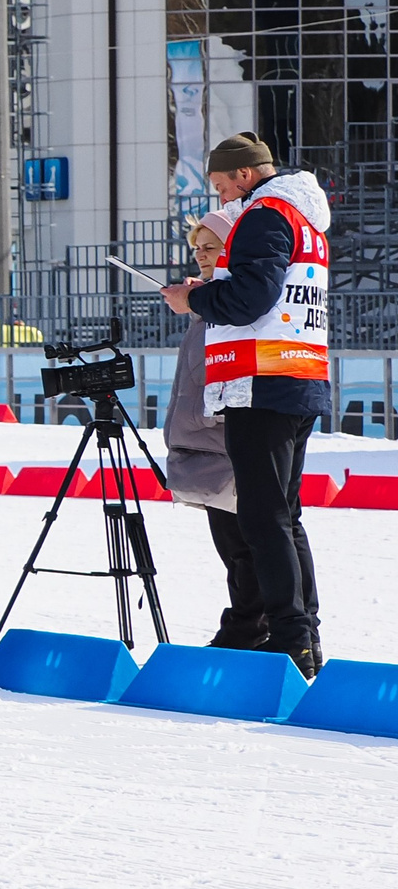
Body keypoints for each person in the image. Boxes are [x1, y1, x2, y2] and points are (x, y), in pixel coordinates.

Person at [163, 134, 330, 675]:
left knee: (262, 519)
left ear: (244, 175)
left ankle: (290, 641)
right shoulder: (307, 220)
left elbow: (251, 297)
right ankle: (305, 636)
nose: (221, 196)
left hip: (260, 383)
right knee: (286, 516)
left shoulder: (264, 214)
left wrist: (196, 299)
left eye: (220, 184)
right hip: (297, 377)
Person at [163, 205, 280, 649]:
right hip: (207, 447)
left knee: (246, 549)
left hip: (230, 443)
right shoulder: (207, 300)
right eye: (197, 248)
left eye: (211, 247)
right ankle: (246, 626)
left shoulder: (231, 303)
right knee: (234, 551)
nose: (201, 255)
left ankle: (246, 629)